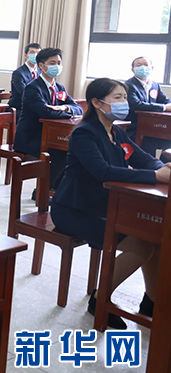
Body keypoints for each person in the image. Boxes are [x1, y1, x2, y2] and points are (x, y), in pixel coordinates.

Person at [51, 78, 170, 330]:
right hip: (75, 210)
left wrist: (162, 168)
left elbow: (142, 158)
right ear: (96, 102)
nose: (124, 102)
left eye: (125, 97)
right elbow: (102, 171)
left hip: (107, 205)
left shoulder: (116, 132)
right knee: (141, 246)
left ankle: (151, 302)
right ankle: (99, 299)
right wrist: (155, 176)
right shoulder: (84, 133)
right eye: (117, 98)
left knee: (155, 237)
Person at [13, 47, 83, 189]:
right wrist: (68, 113)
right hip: (31, 137)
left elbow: (78, 108)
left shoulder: (59, 87)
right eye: (52, 63)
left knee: (72, 151)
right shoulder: (32, 88)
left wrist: (65, 108)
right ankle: (42, 190)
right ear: (42, 66)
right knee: (62, 153)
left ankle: (54, 188)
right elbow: (46, 113)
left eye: (59, 63)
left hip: (51, 135)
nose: (57, 66)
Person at [124, 56, 171, 156]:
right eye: (139, 65)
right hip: (135, 127)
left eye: (146, 65)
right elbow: (136, 105)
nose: (143, 67)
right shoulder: (129, 85)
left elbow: (166, 101)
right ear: (133, 70)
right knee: (148, 143)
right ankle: (149, 166)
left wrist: (168, 105)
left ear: (152, 68)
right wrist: (164, 108)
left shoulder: (155, 85)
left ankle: (165, 164)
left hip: (153, 127)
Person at [8, 43, 41, 110]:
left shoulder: (41, 72)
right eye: (32, 52)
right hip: (19, 108)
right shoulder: (18, 73)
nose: (35, 55)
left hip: (35, 107)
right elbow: (24, 93)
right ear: (26, 55)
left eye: (38, 53)